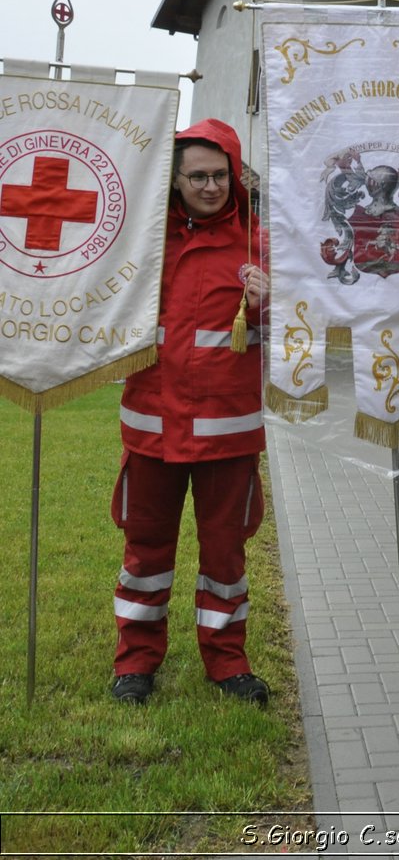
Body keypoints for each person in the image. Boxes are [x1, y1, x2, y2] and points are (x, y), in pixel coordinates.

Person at [111, 118, 271, 706]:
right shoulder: (143, 241)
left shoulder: (261, 244)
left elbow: (299, 334)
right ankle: (135, 663)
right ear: (174, 181)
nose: (210, 186)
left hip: (227, 437)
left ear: (236, 176)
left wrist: (266, 307)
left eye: (220, 175)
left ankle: (228, 663)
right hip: (151, 429)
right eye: (197, 176)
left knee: (225, 558)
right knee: (144, 557)